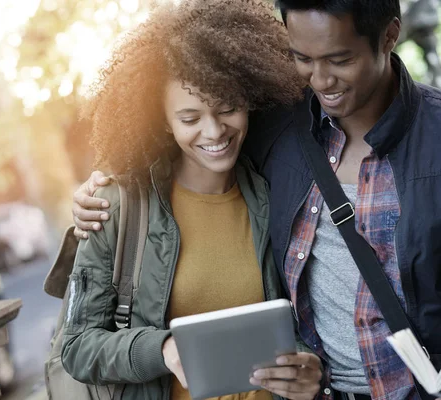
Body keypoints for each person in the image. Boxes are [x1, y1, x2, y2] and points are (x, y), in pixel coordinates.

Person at [72, 1, 441, 399]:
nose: (320, 80)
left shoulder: (260, 181)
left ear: (389, 36)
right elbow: (77, 344)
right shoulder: (278, 132)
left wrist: (303, 366)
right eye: (302, 58)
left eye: (339, 59)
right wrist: (102, 185)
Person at [61, 1, 323, 400]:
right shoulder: (116, 207)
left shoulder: (275, 197)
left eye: (228, 108)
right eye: (189, 118)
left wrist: (305, 367)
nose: (214, 130)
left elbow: (300, 322)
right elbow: (77, 347)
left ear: (249, 99)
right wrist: (162, 349)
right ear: (163, 119)